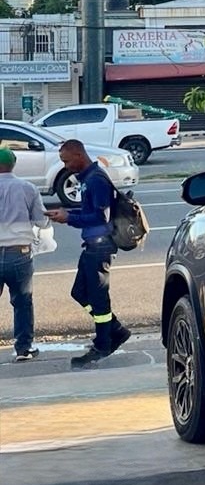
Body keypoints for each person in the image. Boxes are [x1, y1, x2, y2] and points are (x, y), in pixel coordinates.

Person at [47, 139, 131, 368]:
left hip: (101, 246)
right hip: (92, 245)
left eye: (66, 161)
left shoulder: (96, 180)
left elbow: (101, 217)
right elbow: (89, 210)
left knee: (98, 298)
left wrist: (69, 218)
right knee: (79, 292)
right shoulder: (87, 178)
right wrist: (66, 213)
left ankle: (102, 346)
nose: (65, 166)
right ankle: (116, 330)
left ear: (78, 155)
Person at [0, 146, 51, 361]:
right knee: (22, 302)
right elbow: (41, 221)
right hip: (19, 252)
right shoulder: (27, 188)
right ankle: (23, 348)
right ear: (13, 164)